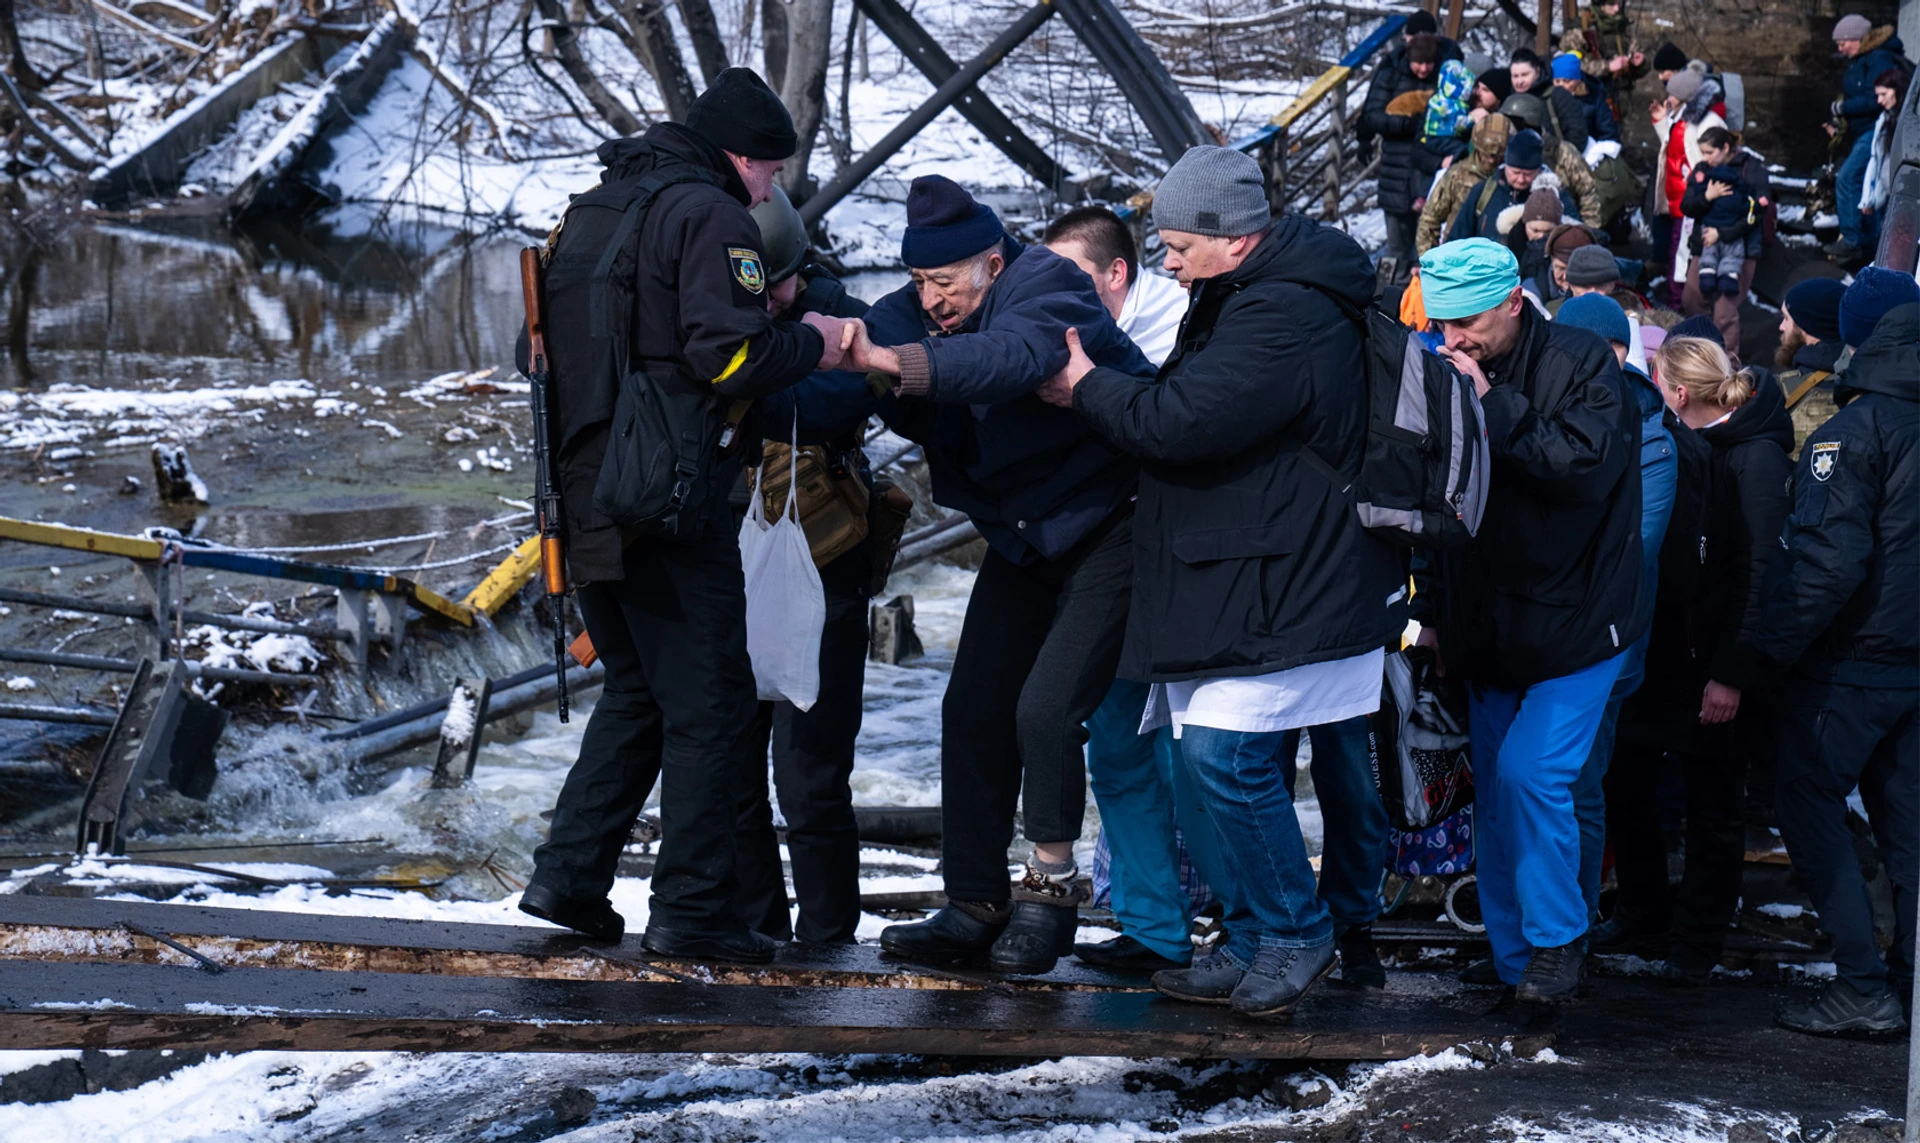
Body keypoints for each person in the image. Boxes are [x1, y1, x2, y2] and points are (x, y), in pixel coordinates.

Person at [1043, 144, 1404, 1018]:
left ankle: (1295, 931)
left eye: (1177, 245)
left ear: (1233, 240)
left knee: (1223, 755)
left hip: (1291, 574)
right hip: (1254, 567)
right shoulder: (1247, 294)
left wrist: (1086, 384)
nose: (1166, 262)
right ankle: (1248, 937)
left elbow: (1180, 420)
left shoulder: (1281, 313)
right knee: (1218, 757)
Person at [518, 68, 859, 962]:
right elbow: (731, 355)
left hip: (581, 499)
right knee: (711, 707)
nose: (771, 191)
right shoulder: (710, 214)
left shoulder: (593, 208)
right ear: (742, 156)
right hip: (667, 495)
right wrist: (813, 344)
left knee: (637, 688)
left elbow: (535, 351)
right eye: (771, 173)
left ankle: (569, 877)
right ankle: (693, 910)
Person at [851, 176, 1156, 976]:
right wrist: (822, 335)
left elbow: (1009, 357)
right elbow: (875, 324)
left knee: (1047, 709)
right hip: (1026, 537)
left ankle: (1051, 894)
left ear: (992, 261)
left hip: (1114, 520)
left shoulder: (1048, 283)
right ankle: (974, 901)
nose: (931, 300)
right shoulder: (922, 305)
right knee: (973, 707)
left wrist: (894, 361)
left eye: (945, 283)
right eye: (920, 283)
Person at [1411, 237, 1643, 1003]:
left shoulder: (1582, 361)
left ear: (1514, 301)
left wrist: (1489, 402)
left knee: (1530, 775)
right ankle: (1515, 960)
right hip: (1488, 624)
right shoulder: (1445, 363)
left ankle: (1556, 942)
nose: (1453, 339)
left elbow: (1582, 466)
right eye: (1441, 325)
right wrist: (1435, 615)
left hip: (1579, 621)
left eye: (1466, 321)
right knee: (1495, 796)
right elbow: (1437, 502)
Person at [1602, 335, 1793, 983]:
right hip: (1665, 652)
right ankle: (1643, 911)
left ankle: (1697, 940)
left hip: (1715, 660)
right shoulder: (1683, 449)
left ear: (1678, 393)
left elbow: (1758, 572)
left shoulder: (1756, 460)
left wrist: (1731, 672)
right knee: (1628, 783)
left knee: (1713, 802)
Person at [1756, 277, 1918, 1036]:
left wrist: (1768, 653)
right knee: (1908, 825)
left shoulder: (1853, 433)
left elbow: (1826, 563)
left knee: (1807, 798)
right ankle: (1907, 980)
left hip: (1854, 659)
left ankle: (1860, 979)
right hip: (1909, 659)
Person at [730, 185, 877, 946]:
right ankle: (758, 929)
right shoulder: (716, 310)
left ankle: (827, 935)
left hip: (824, 563)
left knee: (811, 773)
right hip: (730, 562)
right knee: (730, 764)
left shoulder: (839, 315)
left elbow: (827, 402)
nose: (773, 299)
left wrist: (742, 374)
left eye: (777, 285)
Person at [1552, 293, 1681, 930]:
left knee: (1579, 784)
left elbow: (1635, 548)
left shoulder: (1651, 438)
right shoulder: (1554, 406)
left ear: (1618, 352)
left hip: (1606, 643)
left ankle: (1571, 923)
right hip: (1543, 637)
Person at [1362, 28, 1459, 285]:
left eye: (1428, 63)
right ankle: (1388, 300)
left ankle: (1423, 303)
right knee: (1396, 245)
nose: (1424, 69)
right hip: (1395, 167)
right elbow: (1372, 115)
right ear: (1409, 58)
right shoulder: (1391, 74)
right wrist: (1408, 125)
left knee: (1427, 242)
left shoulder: (1446, 77)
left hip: (1428, 168)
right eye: (1419, 63)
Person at [1041, 205, 1190, 367]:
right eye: (1048, 277)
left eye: (1068, 275)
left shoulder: (1186, 328)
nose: (1052, 291)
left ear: (1116, 274)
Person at [1679, 126, 1772, 356]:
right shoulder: (1703, 170)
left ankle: (1727, 365)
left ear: (1726, 148)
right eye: (1703, 153)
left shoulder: (1750, 169)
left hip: (1739, 249)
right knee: (1692, 299)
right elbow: (1687, 205)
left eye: (1710, 152)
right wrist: (1707, 197)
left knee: (1724, 311)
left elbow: (1757, 212)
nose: (1705, 158)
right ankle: (1696, 356)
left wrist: (1723, 233)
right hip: (1705, 246)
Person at [1825, 15, 1909, 263]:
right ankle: (1871, 245)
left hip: (1876, 129)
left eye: (1843, 43)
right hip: (1862, 130)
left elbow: (1875, 99)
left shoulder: (1878, 58)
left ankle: (1851, 240)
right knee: (1867, 187)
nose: (1840, 49)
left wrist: (1842, 108)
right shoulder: (1859, 60)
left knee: (1848, 177)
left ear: (1859, 38)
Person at [1650, 63, 1726, 309]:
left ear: (1685, 97)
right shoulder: (1682, 116)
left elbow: (1714, 156)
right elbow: (1674, 147)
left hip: (1692, 200)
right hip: (1678, 199)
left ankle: (1678, 302)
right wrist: (1662, 121)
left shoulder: (1707, 120)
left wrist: (1702, 191)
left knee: (1683, 255)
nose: (1668, 98)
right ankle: (1675, 296)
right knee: (1677, 252)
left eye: (1672, 94)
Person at [1446, 130, 1577, 244]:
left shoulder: (1555, 196)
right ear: (1506, 166)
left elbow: (1574, 232)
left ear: (1539, 170)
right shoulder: (1483, 192)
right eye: (1515, 173)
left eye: (1528, 174)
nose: (1521, 180)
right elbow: (1457, 238)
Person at [1499, 93, 1603, 226]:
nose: (1507, 128)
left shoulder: (1561, 151)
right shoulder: (1504, 149)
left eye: (1511, 122)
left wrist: (1587, 232)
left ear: (1526, 123)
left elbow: (1588, 191)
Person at [1774, 276, 1849, 457]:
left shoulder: (1777, 391)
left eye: (1786, 318)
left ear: (1806, 326)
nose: (1781, 326)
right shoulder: (1872, 381)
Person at [1418, 112, 1511, 256]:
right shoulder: (1457, 175)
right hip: (1457, 256)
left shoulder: (1512, 178)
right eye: (1486, 154)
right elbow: (1430, 218)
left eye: (1497, 156)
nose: (1491, 160)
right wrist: (1431, 262)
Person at [1860, 69, 1911, 245]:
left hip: (1907, 194)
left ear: (1898, 89)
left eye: (1883, 94)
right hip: (1888, 195)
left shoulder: (1910, 121)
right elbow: (1876, 159)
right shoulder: (1884, 120)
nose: (1879, 100)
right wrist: (1869, 197)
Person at [1577, 0, 1649, 122]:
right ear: (1600, 5)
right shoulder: (1581, 28)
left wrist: (1640, 63)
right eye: (1612, 4)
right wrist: (1608, 66)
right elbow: (1572, 67)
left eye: (1618, 4)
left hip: (1622, 104)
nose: (1616, 9)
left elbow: (1641, 62)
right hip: (1590, 103)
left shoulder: (1623, 27)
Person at [1510, 47, 1589, 150]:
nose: (1519, 81)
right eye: (1515, 76)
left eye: (1525, 75)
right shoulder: (1510, 102)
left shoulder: (1557, 95)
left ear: (1537, 71)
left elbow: (1578, 134)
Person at [1553, 52, 1618, 143]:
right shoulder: (1549, 100)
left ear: (1577, 80)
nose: (1561, 85)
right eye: (1557, 81)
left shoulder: (1593, 96)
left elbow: (1607, 129)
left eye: (1566, 81)